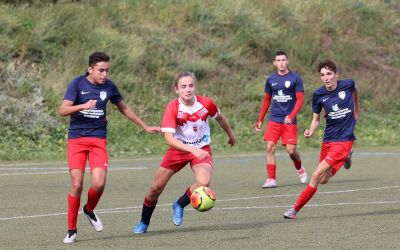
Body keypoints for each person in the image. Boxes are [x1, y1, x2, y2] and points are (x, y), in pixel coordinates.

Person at [59, 51, 160, 243]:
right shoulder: (77, 84)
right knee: (77, 183)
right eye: (101, 70)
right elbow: (63, 110)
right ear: (90, 69)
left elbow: (124, 108)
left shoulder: (109, 86)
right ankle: (71, 230)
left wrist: (145, 126)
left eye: (107, 70)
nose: (104, 74)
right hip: (77, 139)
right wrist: (82, 106)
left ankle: (88, 209)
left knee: (98, 183)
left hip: (98, 139)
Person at [133, 71, 236, 234]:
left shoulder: (206, 103)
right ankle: (144, 222)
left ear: (195, 86)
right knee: (155, 188)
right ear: (176, 90)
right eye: (183, 86)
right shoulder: (173, 107)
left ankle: (179, 204)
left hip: (202, 148)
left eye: (190, 85)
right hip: (178, 149)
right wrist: (192, 150)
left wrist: (231, 136)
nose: (188, 89)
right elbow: (169, 139)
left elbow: (221, 119)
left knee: (203, 181)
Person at [283, 59, 359, 219]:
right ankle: (346, 158)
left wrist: (356, 110)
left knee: (316, 175)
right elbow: (316, 118)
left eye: (329, 74)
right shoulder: (318, 94)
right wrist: (310, 130)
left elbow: (355, 91)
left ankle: (294, 210)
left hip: (344, 140)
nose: (326, 77)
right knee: (323, 180)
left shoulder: (348, 84)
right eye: (323, 75)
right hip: (329, 139)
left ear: (336, 75)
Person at [255, 51, 307, 188]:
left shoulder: (296, 78)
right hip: (274, 118)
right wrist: (260, 119)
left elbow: (300, 100)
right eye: (278, 60)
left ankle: (300, 168)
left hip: (289, 120)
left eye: (284, 60)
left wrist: (291, 116)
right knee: (270, 147)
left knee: (291, 150)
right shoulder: (271, 79)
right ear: (275, 63)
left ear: (287, 61)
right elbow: (267, 100)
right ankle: (271, 179)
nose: (281, 63)